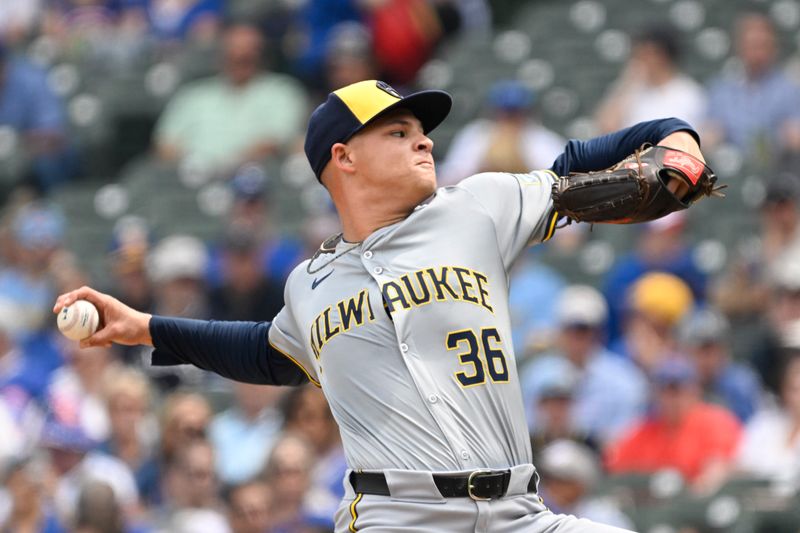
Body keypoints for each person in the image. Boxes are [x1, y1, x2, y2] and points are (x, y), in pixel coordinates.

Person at [54, 79, 710, 532]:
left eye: (421, 130)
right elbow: (268, 352)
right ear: (343, 157)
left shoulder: (475, 207)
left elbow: (576, 161)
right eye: (398, 132)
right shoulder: (310, 283)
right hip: (398, 516)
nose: (423, 141)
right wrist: (144, 327)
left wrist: (673, 134)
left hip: (519, 512)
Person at [605, 357, 742, 492]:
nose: (670, 398)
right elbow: (617, 473)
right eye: (664, 390)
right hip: (652, 506)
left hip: (698, 505)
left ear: (694, 390)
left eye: (677, 390)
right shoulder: (644, 430)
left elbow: (718, 469)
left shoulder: (715, 420)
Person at [439, 80, 565, 186]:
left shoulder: (541, 140)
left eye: (515, 112)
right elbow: (448, 180)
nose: (510, 118)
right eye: (506, 112)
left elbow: (560, 181)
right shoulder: (477, 134)